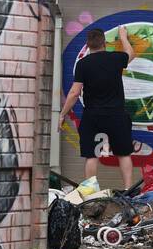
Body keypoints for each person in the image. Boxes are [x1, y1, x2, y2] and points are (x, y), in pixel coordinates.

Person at [59, 26, 137, 189]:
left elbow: (74, 93)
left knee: (91, 155)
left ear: (88, 45)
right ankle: (128, 190)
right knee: (123, 154)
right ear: (104, 43)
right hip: (117, 115)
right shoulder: (115, 59)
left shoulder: (83, 64)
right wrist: (123, 37)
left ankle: (91, 191)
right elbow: (131, 54)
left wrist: (62, 114)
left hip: (93, 116)